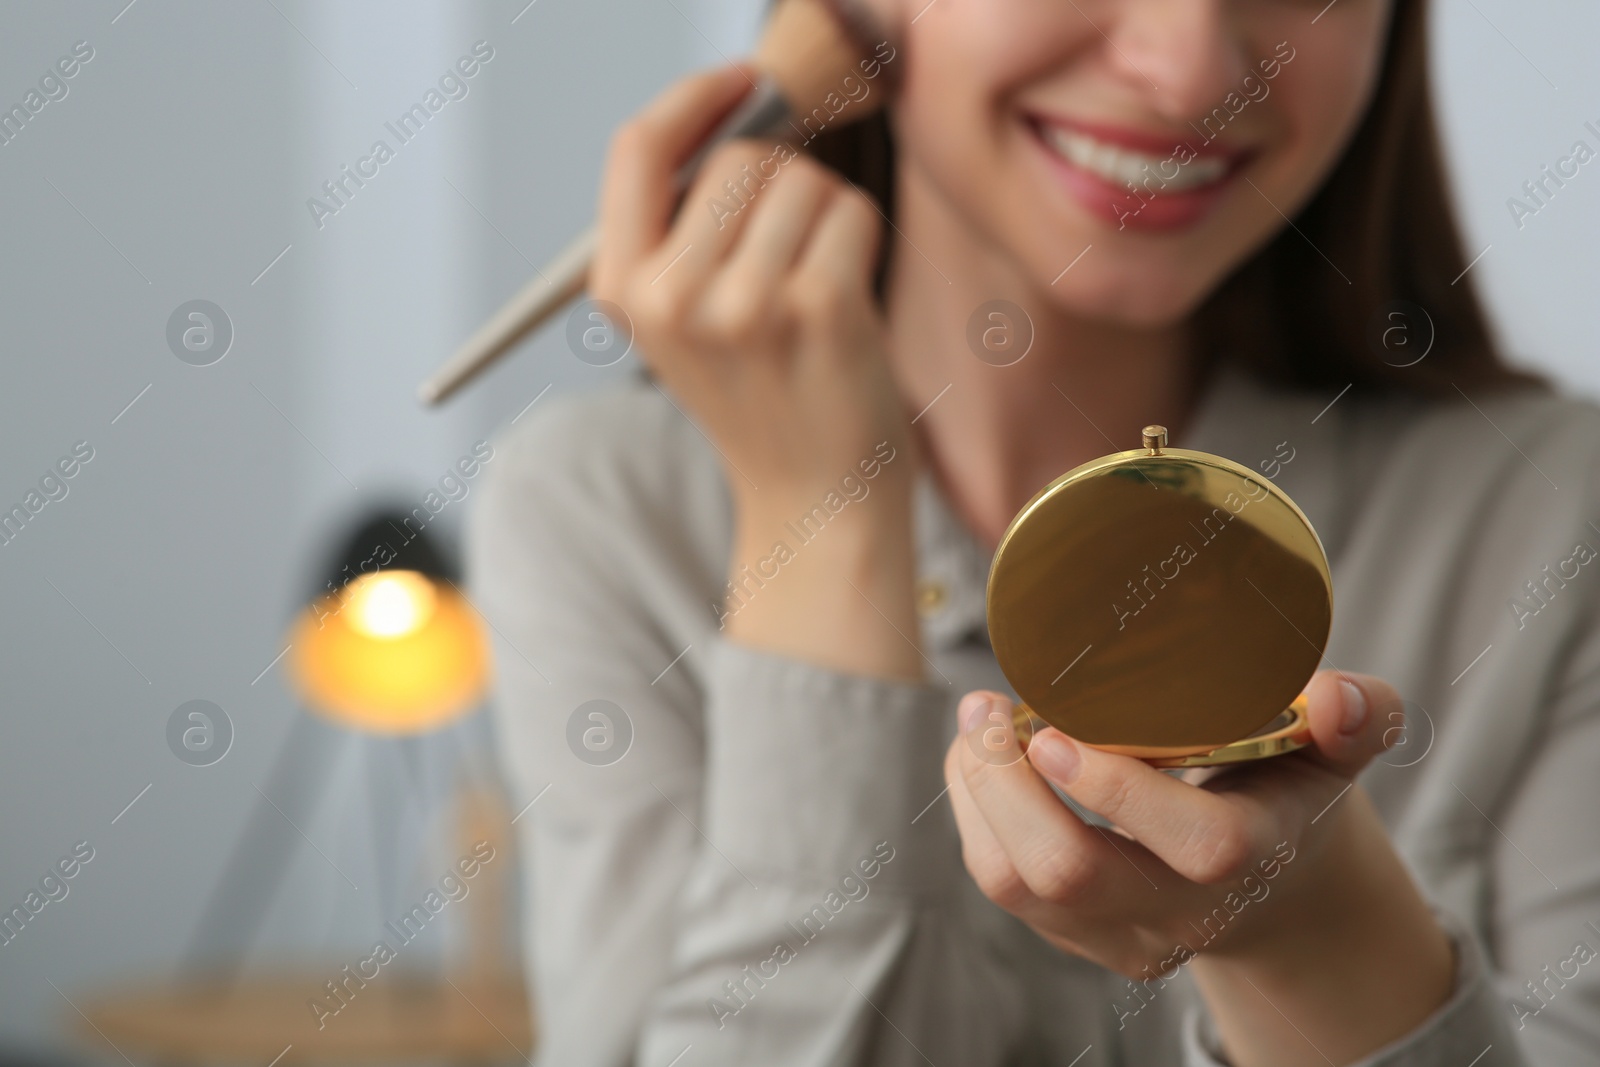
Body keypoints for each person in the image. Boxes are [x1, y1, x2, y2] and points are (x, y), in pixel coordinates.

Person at [470, 0, 1600, 1063]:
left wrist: (1314, 937)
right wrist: (824, 525)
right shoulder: (597, 506)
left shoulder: (1555, 514)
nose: (1190, 70)